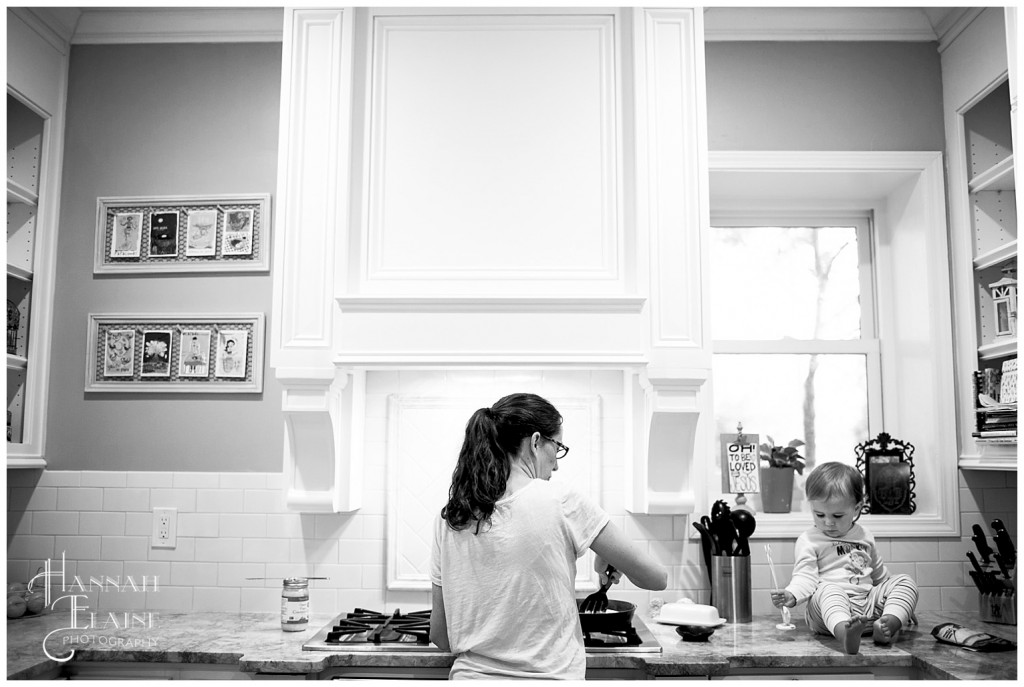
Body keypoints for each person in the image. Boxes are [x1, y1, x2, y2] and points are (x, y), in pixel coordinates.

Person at [429, 393, 668, 679]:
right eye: (558, 448)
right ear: (535, 441)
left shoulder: (451, 517)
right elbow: (655, 578)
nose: (556, 465)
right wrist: (605, 552)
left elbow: (440, 635)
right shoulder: (561, 500)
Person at [770, 462, 918, 655]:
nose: (828, 522)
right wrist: (792, 595)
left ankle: (887, 623)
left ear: (856, 509)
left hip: (867, 608)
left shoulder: (864, 535)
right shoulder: (809, 540)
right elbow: (805, 577)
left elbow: (880, 575)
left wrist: (900, 605)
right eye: (819, 514)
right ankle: (845, 634)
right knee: (829, 589)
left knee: (905, 581)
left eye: (838, 515)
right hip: (827, 615)